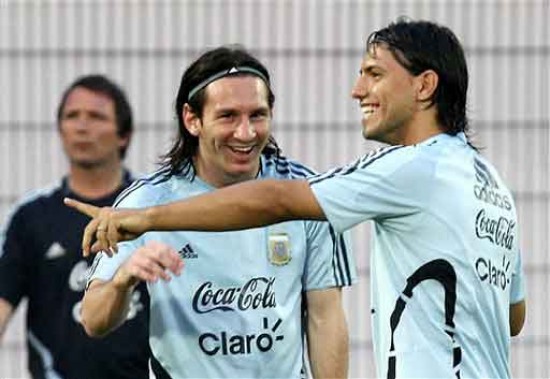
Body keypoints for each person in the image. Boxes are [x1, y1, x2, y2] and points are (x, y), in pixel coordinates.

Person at [66, 19, 526, 378]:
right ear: (193, 120)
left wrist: (148, 220)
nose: (357, 89)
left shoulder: (407, 169)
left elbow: (276, 205)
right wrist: (127, 271)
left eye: (374, 74)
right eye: (228, 116)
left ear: (424, 86)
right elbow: (514, 316)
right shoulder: (491, 184)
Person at [75, 46, 356, 378]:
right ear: (192, 119)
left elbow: (326, 318)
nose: (246, 133)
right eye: (228, 116)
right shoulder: (145, 201)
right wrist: (124, 278)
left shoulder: (305, 195)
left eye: (257, 115)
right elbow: (93, 320)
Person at [0, 75, 150, 379]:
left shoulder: (153, 209)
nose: (82, 127)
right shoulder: (31, 216)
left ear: (124, 135)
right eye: (72, 116)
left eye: (96, 117)